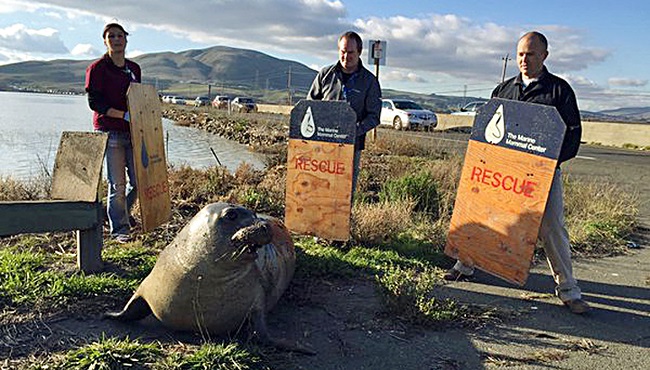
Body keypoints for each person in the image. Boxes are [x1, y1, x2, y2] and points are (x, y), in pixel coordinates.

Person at [444, 31, 589, 314]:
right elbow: (487, 133)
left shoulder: (559, 91)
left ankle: (569, 290)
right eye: (521, 54)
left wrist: (548, 165)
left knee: (551, 226)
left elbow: (573, 136)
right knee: (486, 215)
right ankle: (466, 264)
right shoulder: (503, 90)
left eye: (531, 54)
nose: (524, 59)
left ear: (544, 56)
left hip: (542, 177)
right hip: (501, 174)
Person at [85, 23, 141, 243]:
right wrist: (122, 115)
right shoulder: (98, 68)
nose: (116, 39)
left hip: (133, 132)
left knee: (138, 182)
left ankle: (121, 215)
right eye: (111, 36)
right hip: (110, 132)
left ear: (126, 40)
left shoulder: (134, 69)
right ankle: (120, 229)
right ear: (105, 41)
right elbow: (94, 102)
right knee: (117, 183)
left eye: (120, 35)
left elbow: (138, 97)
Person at [307, 31, 382, 194]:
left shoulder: (369, 81)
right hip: (323, 145)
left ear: (359, 52)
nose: (346, 56)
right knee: (319, 189)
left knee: (343, 193)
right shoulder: (325, 75)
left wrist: (353, 131)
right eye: (342, 51)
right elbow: (310, 106)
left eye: (350, 52)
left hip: (351, 147)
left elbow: (374, 117)